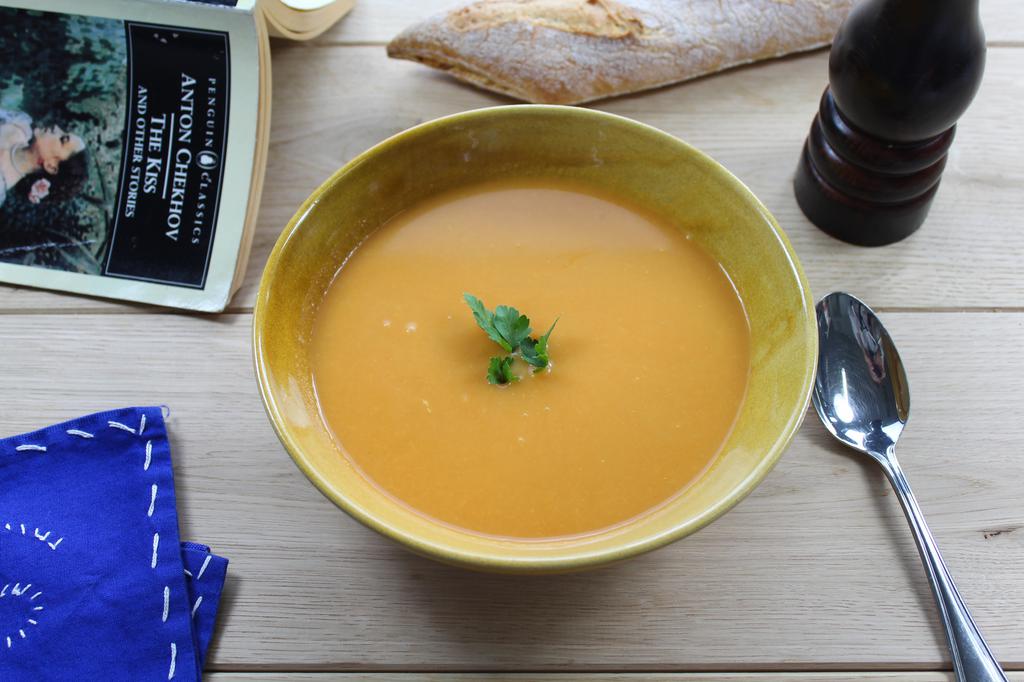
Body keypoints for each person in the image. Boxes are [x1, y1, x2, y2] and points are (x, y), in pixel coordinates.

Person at [0, 108, 88, 207]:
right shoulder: (20, 124)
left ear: (51, 166)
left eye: (62, 139)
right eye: (64, 132)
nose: (56, 127)